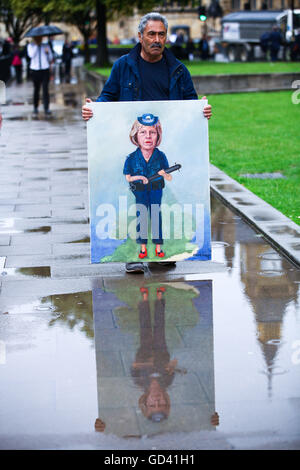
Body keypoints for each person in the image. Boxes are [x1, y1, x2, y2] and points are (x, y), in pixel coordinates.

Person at [82, 11, 212, 273]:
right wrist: (95, 109)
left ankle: (160, 253)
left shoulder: (177, 69)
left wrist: (201, 111)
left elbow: (190, 103)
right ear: (140, 36)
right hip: (135, 148)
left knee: (160, 208)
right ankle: (134, 254)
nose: (157, 39)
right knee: (135, 208)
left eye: (161, 34)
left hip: (165, 146)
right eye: (151, 34)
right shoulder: (123, 66)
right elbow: (109, 95)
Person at [124, 113, 172, 259]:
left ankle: (158, 248)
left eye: (152, 132)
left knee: (156, 216)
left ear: (158, 136)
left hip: (156, 191)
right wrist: (139, 177)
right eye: (143, 132)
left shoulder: (161, 156)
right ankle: (143, 248)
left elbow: (169, 177)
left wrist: (164, 174)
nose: (148, 136)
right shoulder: (131, 158)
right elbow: (128, 177)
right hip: (140, 192)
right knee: (142, 216)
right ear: (135, 136)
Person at [27, 35, 53, 116]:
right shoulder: (30, 46)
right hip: (35, 70)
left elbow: (50, 58)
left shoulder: (46, 46)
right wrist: (36, 46)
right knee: (36, 89)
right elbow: (31, 55)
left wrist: (47, 53)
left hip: (45, 69)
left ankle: (46, 108)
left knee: (45, 89)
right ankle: (35, 107)